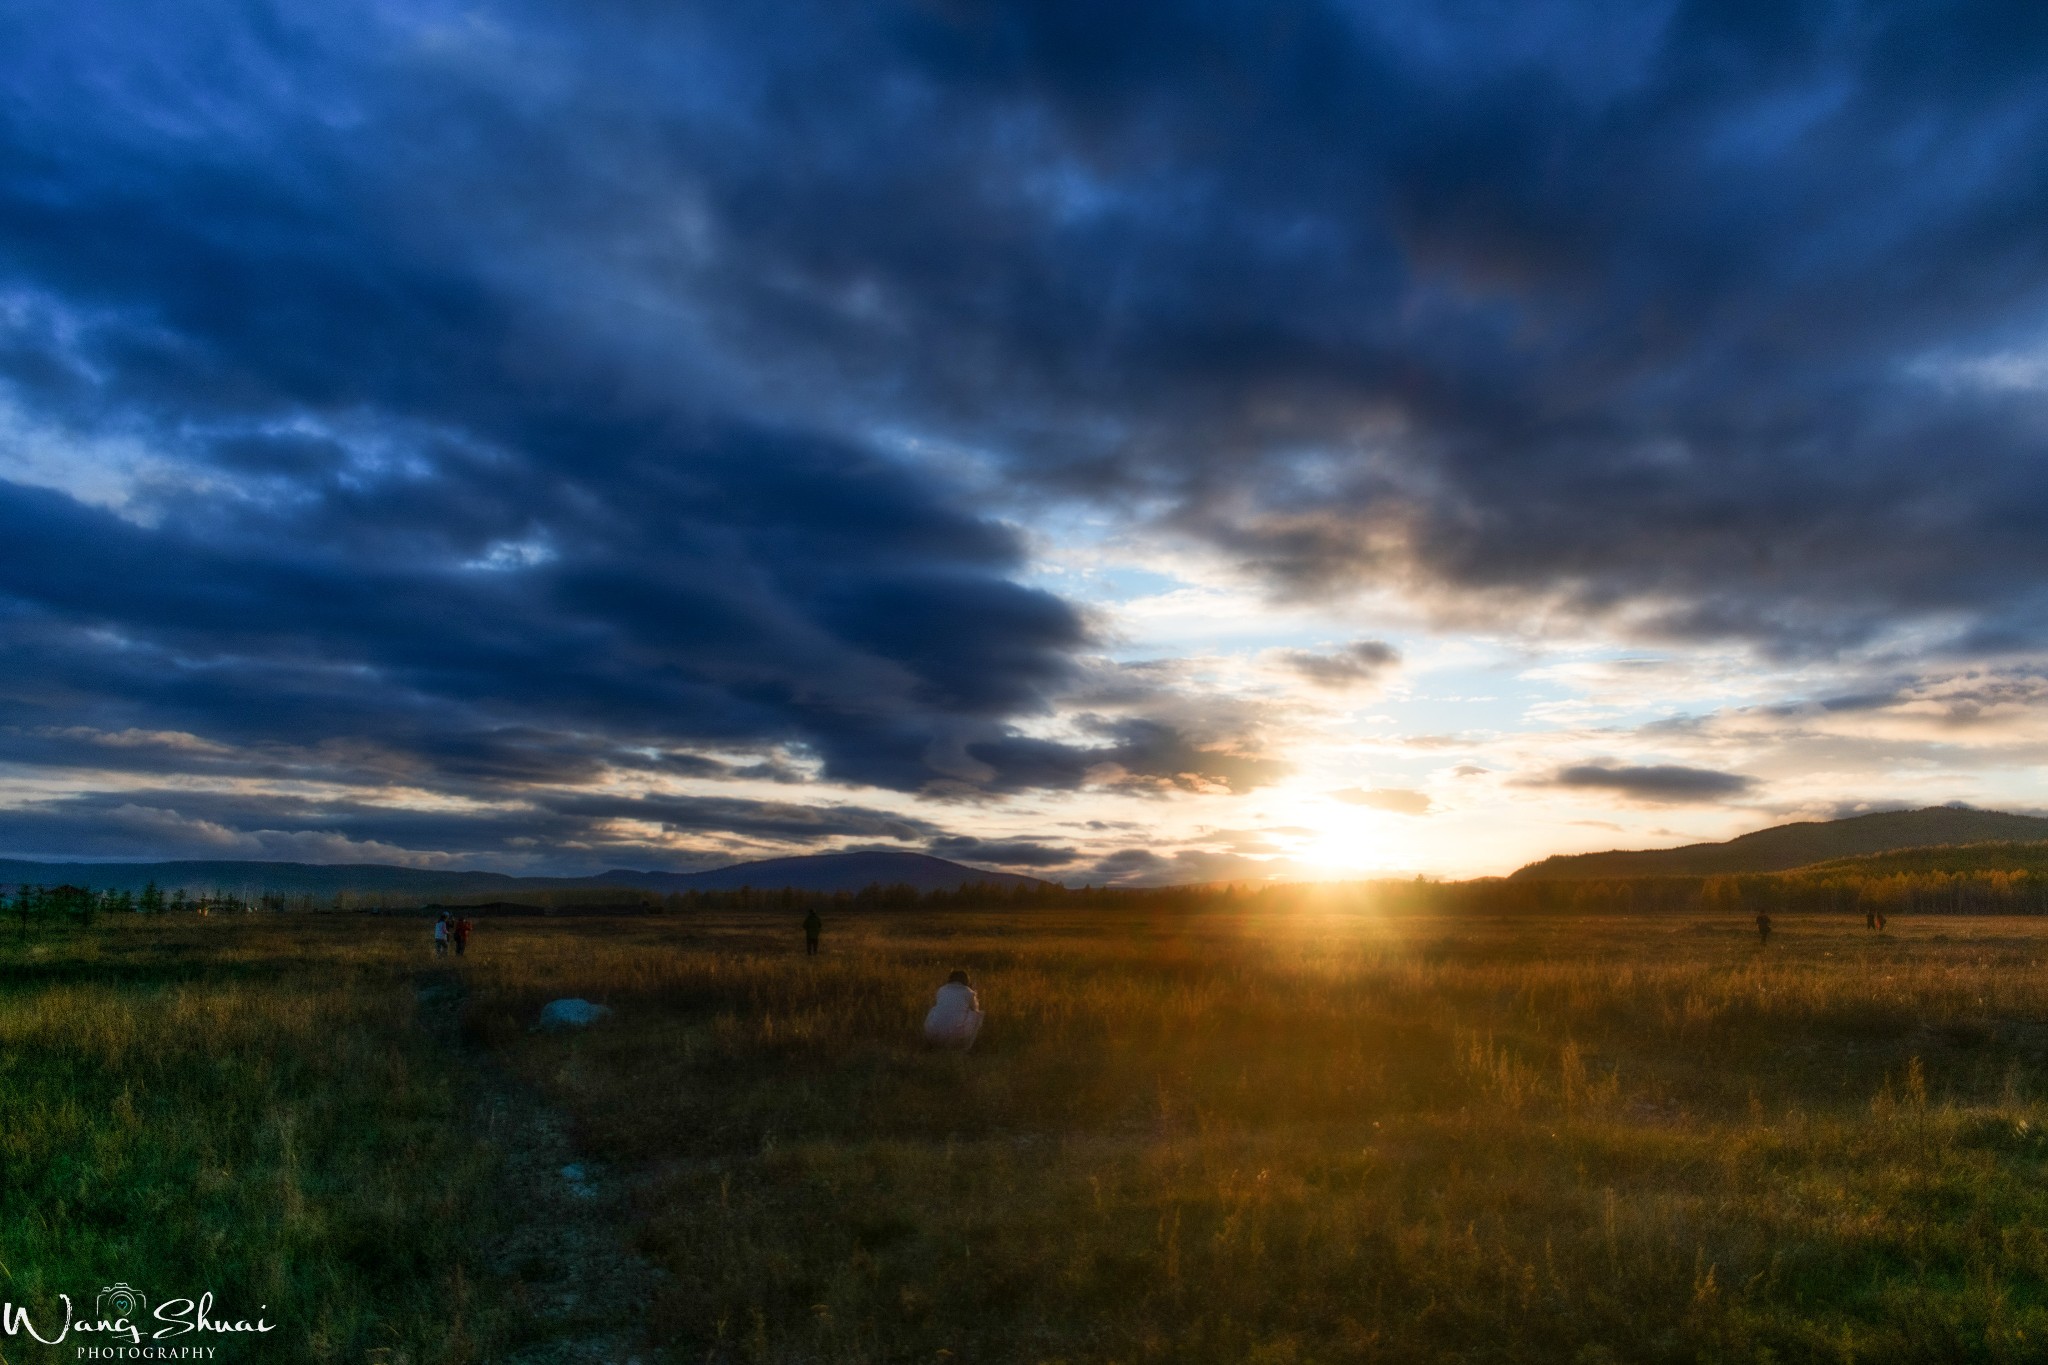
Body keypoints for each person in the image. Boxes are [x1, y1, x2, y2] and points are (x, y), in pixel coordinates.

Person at [923, 969, 984, 1051]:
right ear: (966, 981)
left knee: (933, 1009)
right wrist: (975, 994)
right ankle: (965, 1048)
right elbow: (975, 1009)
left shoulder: (941, 990)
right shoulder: (969, 993)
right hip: (956, 1037)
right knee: (977, 1014)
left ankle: (933, 1045)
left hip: (933, 1035)